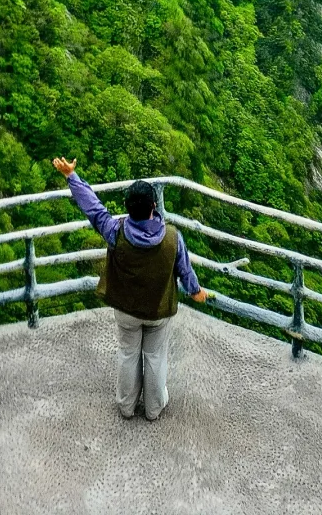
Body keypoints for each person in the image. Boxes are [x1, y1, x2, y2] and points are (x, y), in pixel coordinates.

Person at [52, 156, 208, 421]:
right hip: (158, 312)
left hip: (125, 309)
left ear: (127, 207)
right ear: (153, 207)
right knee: (156, 357)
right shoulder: (172, 237)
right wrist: (196, 291)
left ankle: (126, 407)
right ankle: (153, 409)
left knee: (128, 354)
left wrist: (71, 176)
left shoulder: (115, 231)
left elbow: (92, 207)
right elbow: (185, 272)